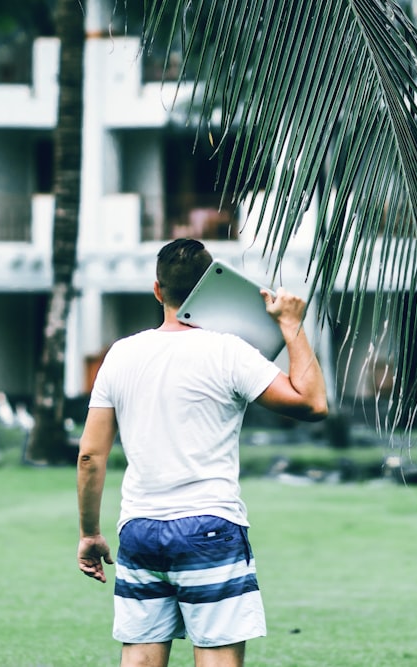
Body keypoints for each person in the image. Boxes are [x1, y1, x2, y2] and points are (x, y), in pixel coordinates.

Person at [77, 238, 328, 667]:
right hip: (209, 528)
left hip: (139, 528)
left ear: (158, 290)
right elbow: (313, 403)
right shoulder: (228, 351)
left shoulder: (120, 355)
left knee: (138, 658)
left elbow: (90, 457)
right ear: (211, 287)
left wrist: (90, 533)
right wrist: (292, 325)